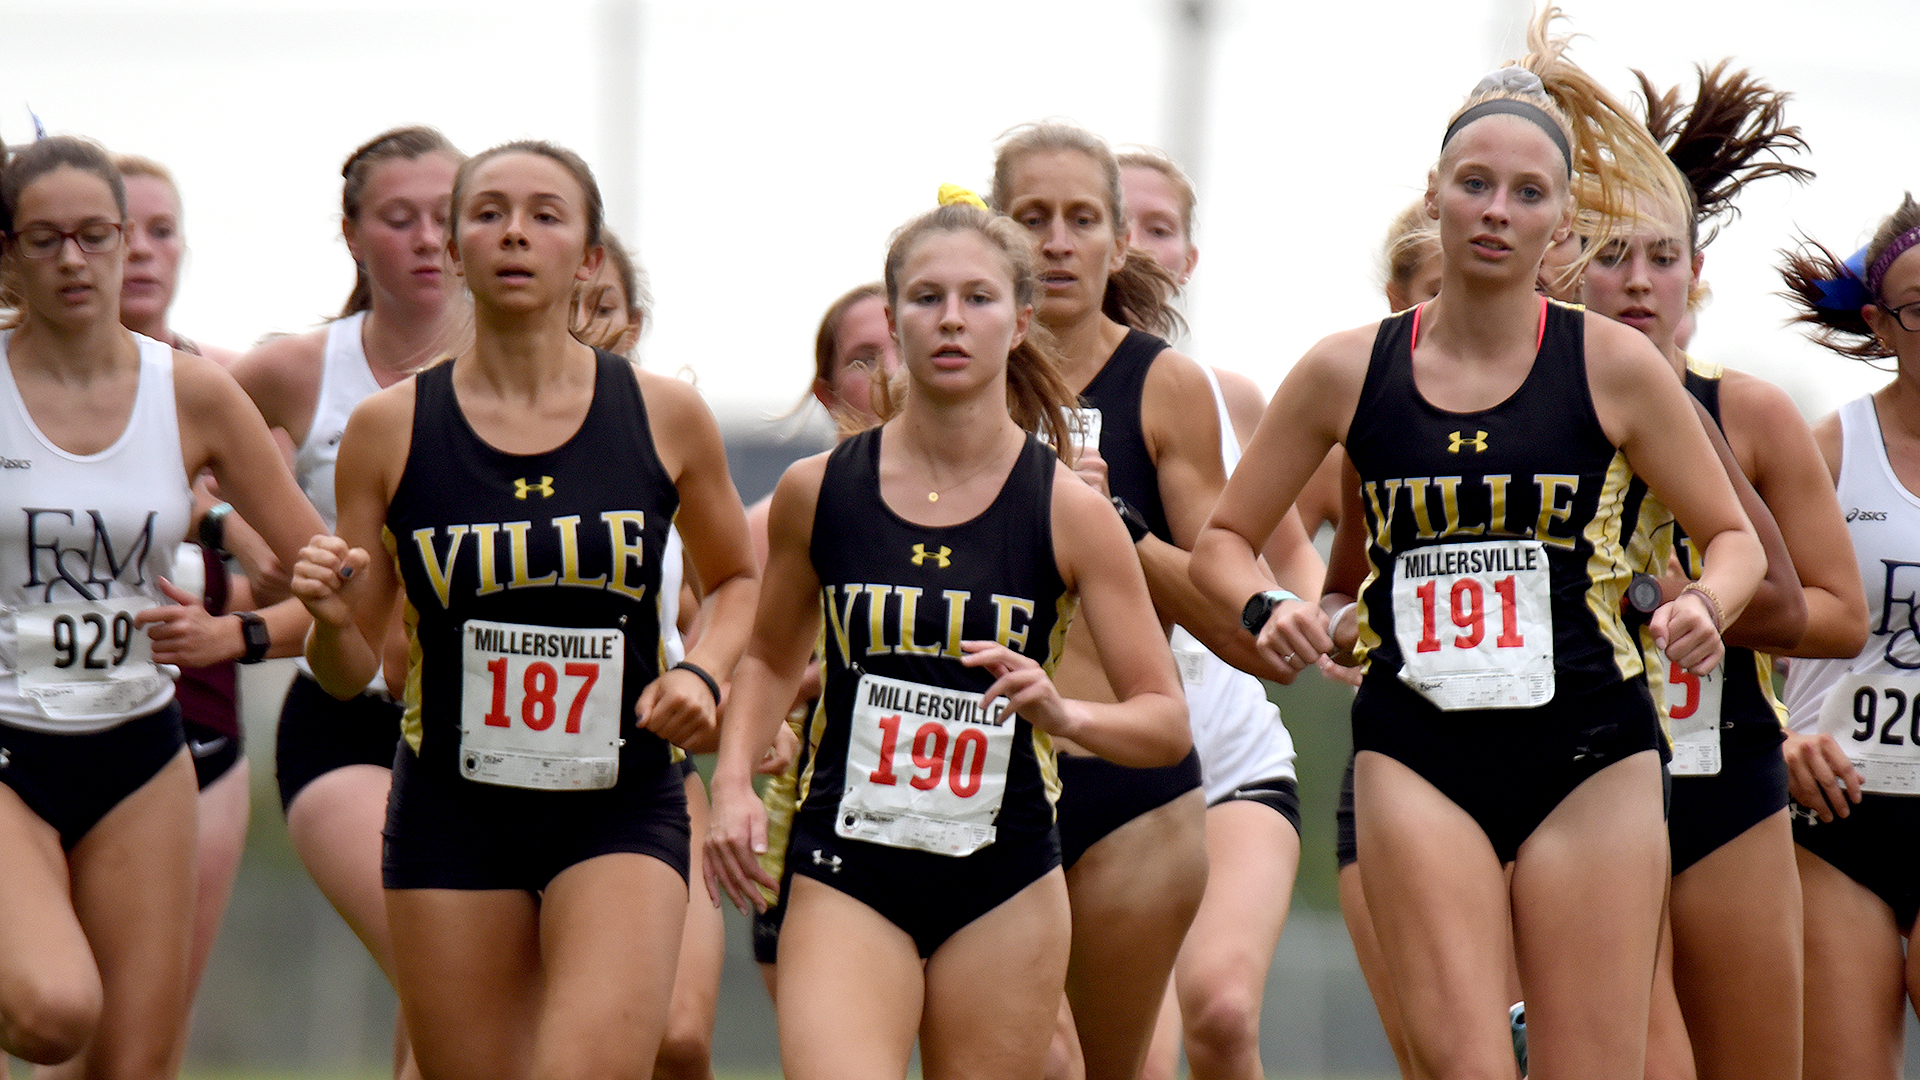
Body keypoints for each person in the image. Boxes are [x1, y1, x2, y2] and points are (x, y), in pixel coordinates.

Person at [1192, 14, 1768, 1076]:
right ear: (1433, 192)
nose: (1497, 212)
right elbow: (1224, 542)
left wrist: (1709, 604)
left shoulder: (1614, 368)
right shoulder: (1343, 371)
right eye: (1474, 184)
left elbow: (1734, 538)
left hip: (1591, 748)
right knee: (1463, 1065)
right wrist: (1270, 609)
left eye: (1528, 194)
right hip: (1421, 747)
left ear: (1560, 226)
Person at [293, 139, 758, 1080]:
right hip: (452, 811)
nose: (515, 232)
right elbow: (357, 670)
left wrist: (701, 671)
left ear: (588, 256)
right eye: (488, 212)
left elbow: (740, 582)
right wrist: (331, 620)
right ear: (456, 249)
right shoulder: (390, 429)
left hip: (620, 801)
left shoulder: (664, 416)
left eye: (546, 214)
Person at [705, 192, 1189, 1080]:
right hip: (847, 863)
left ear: (1020, 322)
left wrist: (1063, 712)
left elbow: (1164, 721)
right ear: (893, 322)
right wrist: (732, 782)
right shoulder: (822, 492)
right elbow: (772, 656)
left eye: (978, 298)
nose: (952, 320)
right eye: (927, 299)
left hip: (1002, 877)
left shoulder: (1071, 513)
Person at [991, 120, 1319, 1080]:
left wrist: (1115, 531)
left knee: (1130, 1053)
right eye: (1032, 218)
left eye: (1081, 218)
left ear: (1117, 242)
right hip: (984, 761)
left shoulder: (1167, 387)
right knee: (1019, 1058)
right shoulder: (950, 379)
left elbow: (1233, 614)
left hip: (1141, 763)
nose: (1056, 242)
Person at [0, 135, 324, 1078]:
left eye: (97, 235)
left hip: (140, 748)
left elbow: (322, 581)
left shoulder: (190, 393)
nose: (74, 260)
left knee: (135, 1065)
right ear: (10, 253)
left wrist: (238, 632)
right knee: (56, 1012)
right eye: (46, 238)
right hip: (8, 741)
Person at [1579, 63, 1867, 1080]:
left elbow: (1834, 616)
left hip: (1724, 756)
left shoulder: (1747, 413)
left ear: (1694, 275)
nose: (1640, 281)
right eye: (1613, 256)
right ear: (1568, 267)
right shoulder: (1534, 413)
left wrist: (1687, 604)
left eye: (1664, 258)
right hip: (1572, 758)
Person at [228, 125, 464, 1079]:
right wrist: (251, 547)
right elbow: (177, 439)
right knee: (448, 970)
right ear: (352, 234)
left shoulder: (530, 382)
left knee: (465, 1004)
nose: (423, 240)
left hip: (479, 723)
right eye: (397, 219)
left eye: (445, 218)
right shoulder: (300, 368)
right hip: (348, 719)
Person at [1119, 146, 1306, 1080]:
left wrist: (1315, 618)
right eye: (1117, 224)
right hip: (1090, 771)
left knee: (1224, 1013)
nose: (1136, 248)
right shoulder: (1003, 408)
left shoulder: (1225, 399)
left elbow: (1286, 559)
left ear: (1189, 255)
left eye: (1160, 229)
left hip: (1229, 759)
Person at [110, 151, 299, 1011]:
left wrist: (229, 617)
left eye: (162, 231)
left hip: (199, 712)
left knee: (150, 1015)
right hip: (36, 706)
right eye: (120, 231)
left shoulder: (233, 386)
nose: (141, 251)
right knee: (53, 1004)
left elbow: (300, 563)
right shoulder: (19, 390)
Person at [568, 229, 725, 1080]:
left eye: (606, 309)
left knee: (679, 1040)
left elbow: (724, 599)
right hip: (477, 789)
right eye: (573, 309)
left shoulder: (665, 438)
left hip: (646, 766)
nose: (589, 327)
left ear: (634, 323)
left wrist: (713, 683)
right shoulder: (456, 431)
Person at [1777, 193, 1920, 1080]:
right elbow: (1747, 618)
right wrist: (1780, 738)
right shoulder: (1826, 453)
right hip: (1840, 808)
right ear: (1881, 325)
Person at [744, 281, 898, 1001]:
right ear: (826, 387)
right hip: (811, 820)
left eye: (898, 349)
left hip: (976, 817)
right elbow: (721, 670)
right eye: (864, 360)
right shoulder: (777, 518)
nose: (890, 375)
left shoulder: (1017, 499)